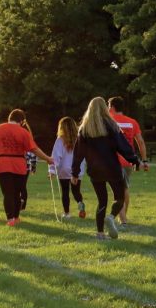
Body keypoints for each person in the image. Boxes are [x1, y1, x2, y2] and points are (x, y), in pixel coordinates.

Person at [72, 97, 142, 240]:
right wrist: (135, 160)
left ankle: (100, 233)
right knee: (119, 197)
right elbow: (123, 146)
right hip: (112, 168)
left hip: (94, 170)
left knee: (102, 200)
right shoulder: (112, 125)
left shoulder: (84, 129)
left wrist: (75, 172)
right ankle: (111, 217)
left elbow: (78, 153)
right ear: (105, 108)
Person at [0, 109, 54, 226]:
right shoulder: (23, 132)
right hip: (18, 164)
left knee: (7, 193)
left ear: (9, 118)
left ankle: (10, 219)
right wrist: (47, 158)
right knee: (17, 192)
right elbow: (34, 149)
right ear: (22, 121)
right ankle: (16, 217)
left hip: (2, 163)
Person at [108, 96, 149, 227]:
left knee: (118, 190)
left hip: (113, 160)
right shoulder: (132, 122)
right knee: (125, 188)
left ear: (112, 107)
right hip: (128, 161)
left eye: (108, 106)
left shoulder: (108, 121)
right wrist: (144, 160)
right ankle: (123, 217)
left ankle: (123, 220)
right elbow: (141, 142)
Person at [48, 117, 86, 219]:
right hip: (77, 170)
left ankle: (67, 213)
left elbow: (56, 156)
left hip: (64, 170)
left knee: (65, 191)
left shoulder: (60, 140)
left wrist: (52, 170)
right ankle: (81, 204)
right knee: (76, 191)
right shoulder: (80, 138)